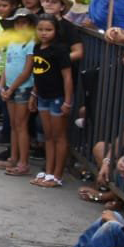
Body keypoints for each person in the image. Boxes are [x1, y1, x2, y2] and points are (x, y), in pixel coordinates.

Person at [30, 14, 72, 188]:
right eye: (40, 29)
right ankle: (48, 172)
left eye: (48, 30)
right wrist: (34, 94)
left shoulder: (60, 50)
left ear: (56, 30)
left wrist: (68, 101)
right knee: (48, 136)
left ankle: (57, 175)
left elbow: (67, 77)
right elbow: (38, 74)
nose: (44, 33)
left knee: (59, 136)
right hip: (42, 97)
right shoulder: (37, 47)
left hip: (57, 97)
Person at [0, 11, 36, 176]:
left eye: (24, 22)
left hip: (22, 88)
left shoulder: (31, 43)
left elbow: (27, 71)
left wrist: (11, 88)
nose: (20, 26)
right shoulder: (13, 41)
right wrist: (2, 85)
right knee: (14, 125)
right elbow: (8, 64)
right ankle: (13, 158)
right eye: (17, 22)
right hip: (9, 87)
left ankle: (23, 162)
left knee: (21, 126)